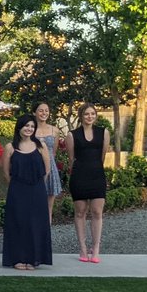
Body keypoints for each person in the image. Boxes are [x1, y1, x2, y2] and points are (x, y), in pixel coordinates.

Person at [1, 114, 53, 271]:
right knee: (18, 223)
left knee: (35, 224)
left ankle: (34, 259)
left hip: (37, 190)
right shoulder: (10, 147)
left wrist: (36, 186)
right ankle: (17, 258)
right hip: (17, 190)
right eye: (26, 126)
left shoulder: (41, 146)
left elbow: (47, 169)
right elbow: (6, 172)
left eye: (32, 126)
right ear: (20, 127)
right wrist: (19, 186)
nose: (29, 129)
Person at [65, 103, 110, 263]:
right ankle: (83, 248)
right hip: (79, 177)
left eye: (92, 114)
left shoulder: (103, 133)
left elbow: (102, 156)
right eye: (86, 114)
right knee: (80, 212)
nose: (89, 117)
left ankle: (96, 248)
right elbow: (71, 159)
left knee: (97, 212)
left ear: (95, 115)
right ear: (81, 116)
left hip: (97, 175)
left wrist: (96, 169)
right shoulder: (72, 135)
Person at [33, 102, 62, 222]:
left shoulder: (54, 130)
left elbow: (54, 152)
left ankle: (47, 236)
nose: (44, 113)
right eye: (41, 110)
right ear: (34, 112)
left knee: (48, 207)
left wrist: (49, 167)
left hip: (50, 169)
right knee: (34, 205)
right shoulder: (30, 129)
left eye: (46, 110)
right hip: (34, 168)